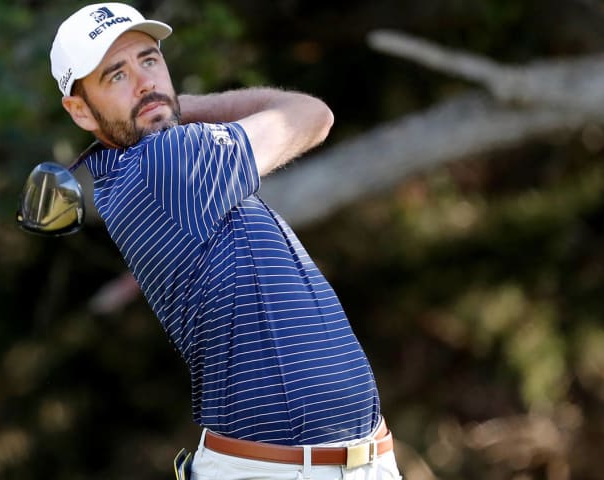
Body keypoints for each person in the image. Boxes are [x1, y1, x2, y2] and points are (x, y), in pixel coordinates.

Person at [50, 3, 401, 479]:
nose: (145, 83)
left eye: (149, 61)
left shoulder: (136, 170)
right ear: (79, 111)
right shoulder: (166, 163)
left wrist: (159, 109)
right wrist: (183, 107)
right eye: (116, 77)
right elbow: (312, 115)